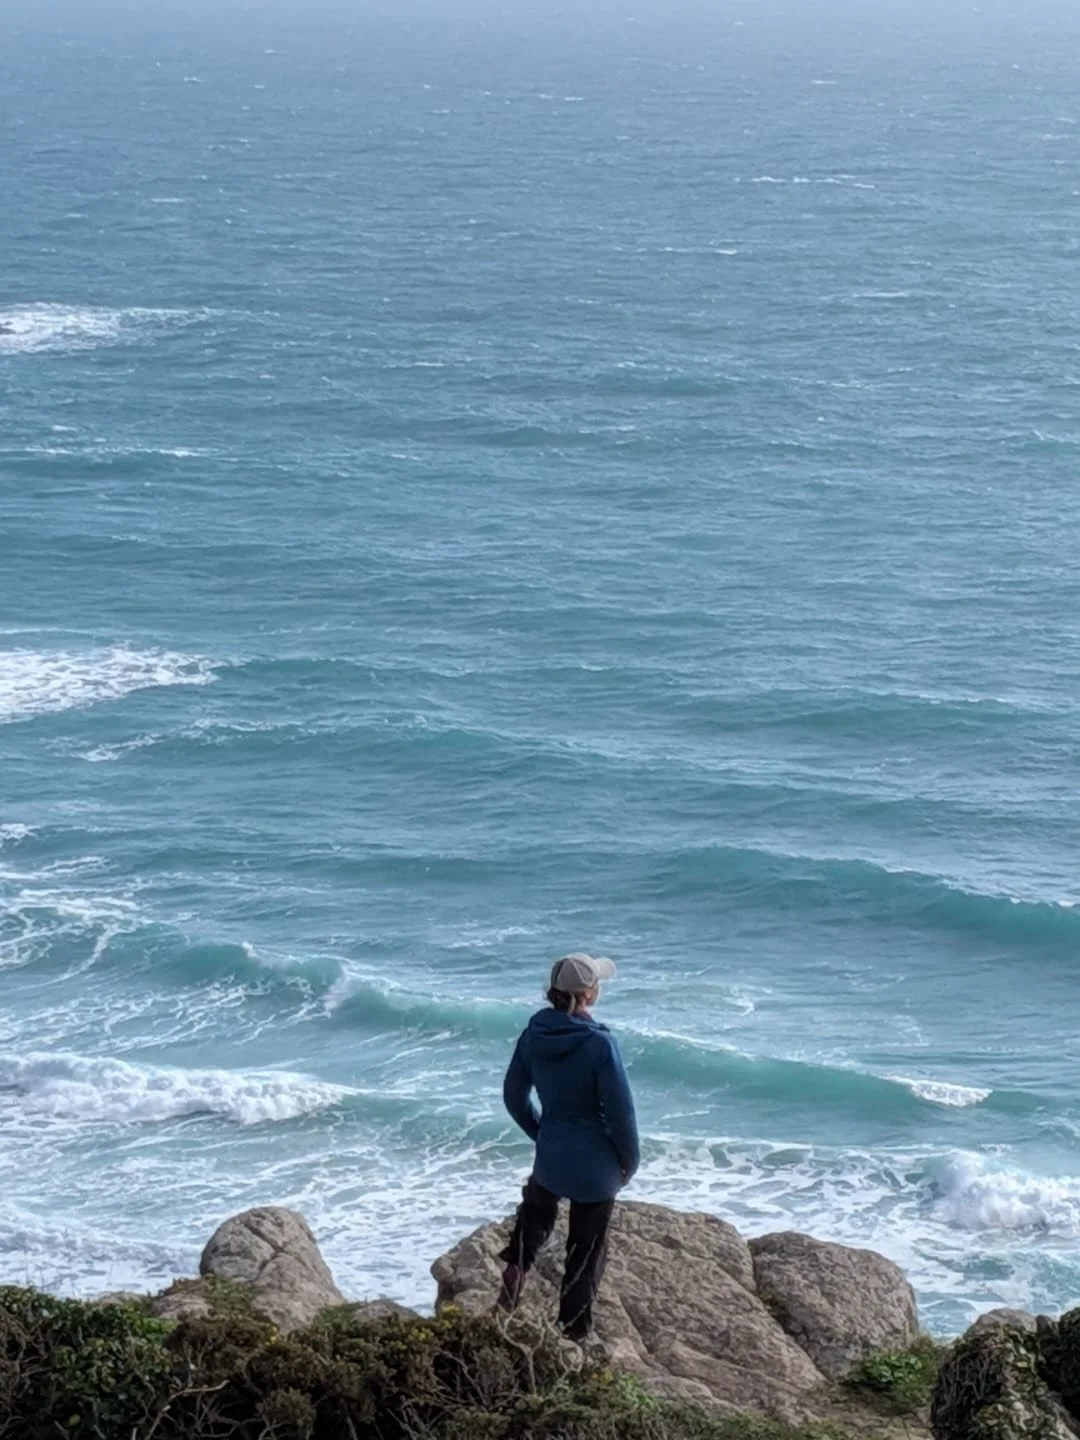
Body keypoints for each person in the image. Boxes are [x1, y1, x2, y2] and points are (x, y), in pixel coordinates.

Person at [498, 952, 640, 1340]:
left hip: (551, 1157)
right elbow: (620, 1115)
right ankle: (574, 1330)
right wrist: (629, 1161)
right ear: (587, 994)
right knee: (585, 1249)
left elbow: (513, 1095)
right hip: (595, 1168)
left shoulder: (533, 1034)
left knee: (534, 1217)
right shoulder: (599, 1045)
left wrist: (541, 1133)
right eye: (597, 983)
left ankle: (512, 1281)